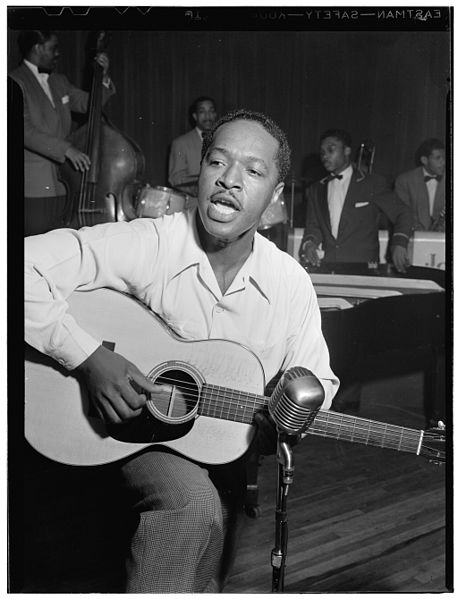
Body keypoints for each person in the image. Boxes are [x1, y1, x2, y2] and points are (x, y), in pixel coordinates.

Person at [24, 109, 339, 592]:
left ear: (275, 198)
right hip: (132, 440)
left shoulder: (290, 282)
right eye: (218, 162)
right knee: (191, 508)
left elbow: (319, 380)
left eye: (253, 171)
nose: (229, 181)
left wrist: (297, 407)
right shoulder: (152, 242)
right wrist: (87, 357)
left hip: (228, 455)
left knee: (205, 576)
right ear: (201, 172)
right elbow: (19, 268)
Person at [9, 30, 115, 236]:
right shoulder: (13, 81)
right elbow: (23, 130)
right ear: (37, 48)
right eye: (53, 48)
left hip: (64, 184)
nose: (58, 53)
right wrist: (67, 150)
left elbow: (89, 104)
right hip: (33, 187)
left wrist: (103, 76)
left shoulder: (60, 81)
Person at [299, 129, 412, 272]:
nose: (325, 156)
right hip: (329, 267)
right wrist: (309, 243)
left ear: (347, 151)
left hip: (363, 268)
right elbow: (313, 226)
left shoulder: (372, 183)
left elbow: (403, 212)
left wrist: (399, 243)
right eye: (322, 152)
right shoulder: (316, 189)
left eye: (331, 150)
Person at [168, 96, 217, 196]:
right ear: (195, 116)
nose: (208, 116)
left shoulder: (223, 140)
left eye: (211, 111)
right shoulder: (180, 143)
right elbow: (175, 179)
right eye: (202, 111)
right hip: (193, 206)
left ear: (215, 114)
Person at [394, 138, 446, 232]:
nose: (444, 162)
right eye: (438, 158)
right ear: (424, 160)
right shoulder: (404, 181)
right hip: (414, 236)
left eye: (444, 157)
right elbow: (402, 215)